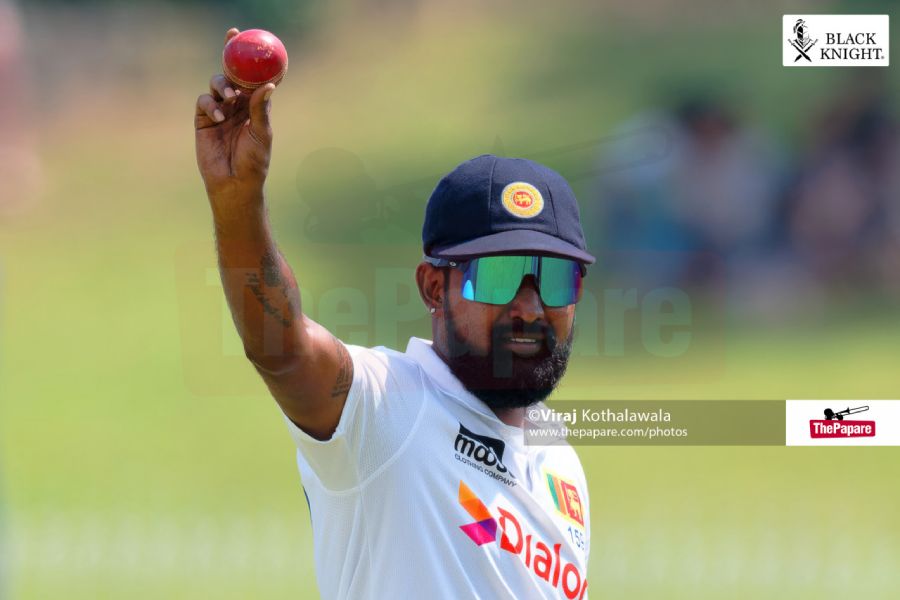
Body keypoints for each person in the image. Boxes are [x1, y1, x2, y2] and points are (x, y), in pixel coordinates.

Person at [195, 28, 593, 600]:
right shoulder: (386, 409)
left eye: (555, 280)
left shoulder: (560, 464)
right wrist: (238, 199)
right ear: (433, 287)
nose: (530, 308)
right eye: (499, 277)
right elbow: (280, 348)